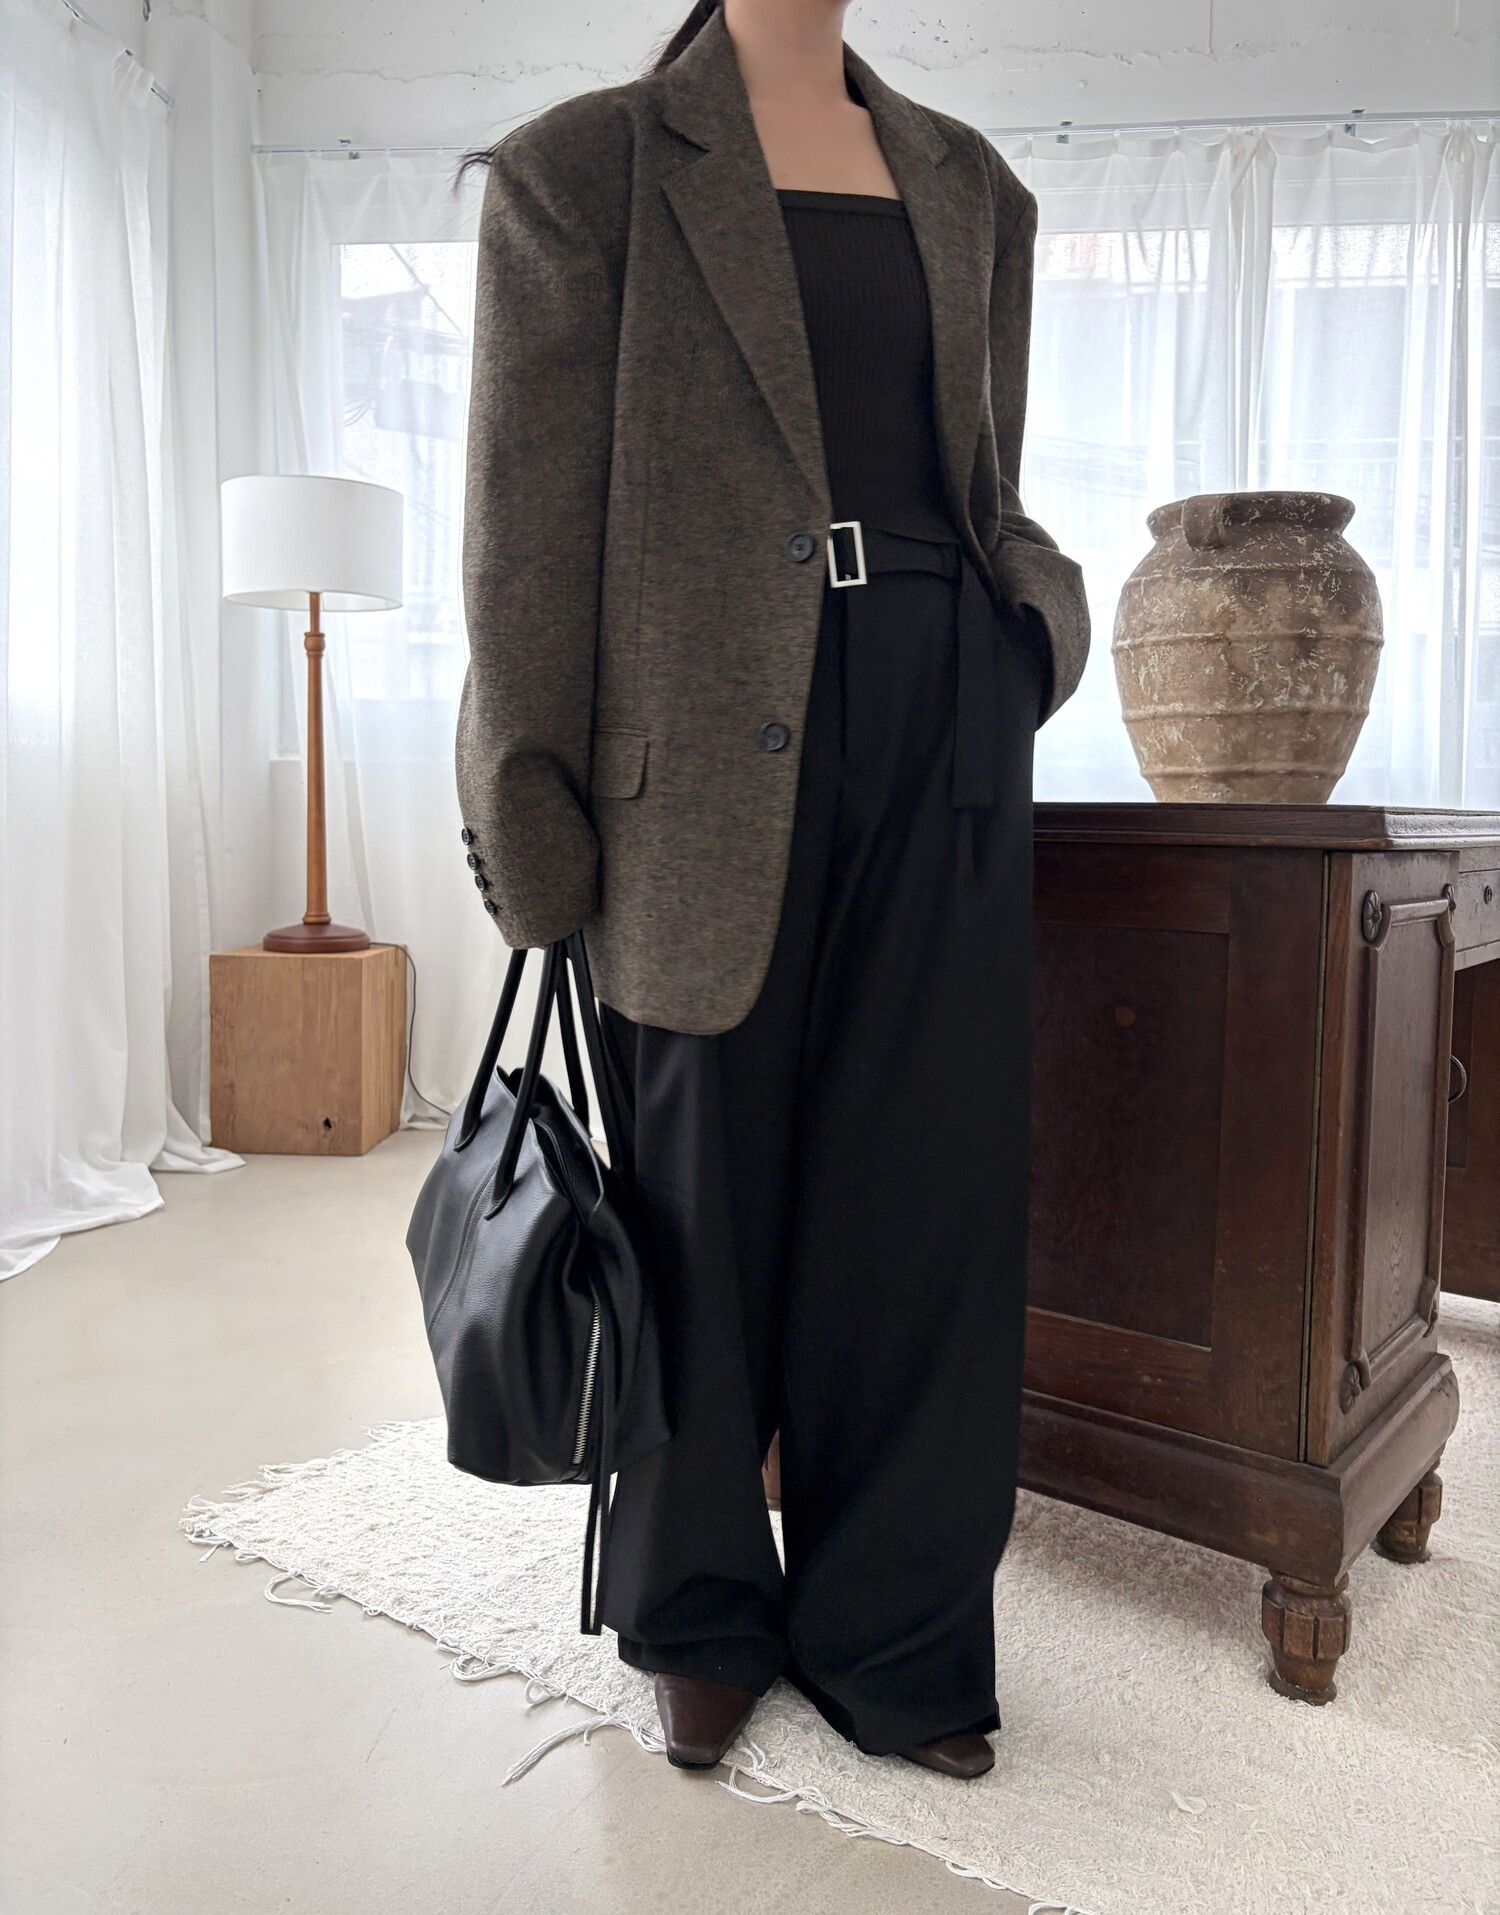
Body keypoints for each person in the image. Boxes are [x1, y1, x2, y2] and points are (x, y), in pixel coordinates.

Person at [454, 0, 1090, 1781]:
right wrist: (528, 814)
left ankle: (901, 1632)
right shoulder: (584, 169)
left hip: (946, 724)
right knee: (696, 1204)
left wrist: (1032, 630)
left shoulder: (973, 185)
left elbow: (986, 480)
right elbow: (524, 528)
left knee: (925, 1197)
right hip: (694, 761)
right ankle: (697, 1612)